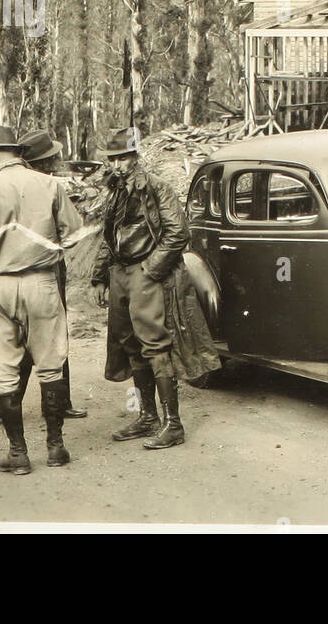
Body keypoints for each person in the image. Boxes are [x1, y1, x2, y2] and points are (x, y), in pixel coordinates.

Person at [0, 125, 83, 475]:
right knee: (51, 365)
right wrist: (44, 251)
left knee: (5, 372)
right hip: (42, 281)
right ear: (17, 151)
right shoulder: (50, 185)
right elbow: (74, 234)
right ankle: (55, 447)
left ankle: (18, 452)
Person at [92, 127, 189, 450]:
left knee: (154, 343)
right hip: (120, 273)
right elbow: (109, 236)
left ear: (136, 157)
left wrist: (151, 269)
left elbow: (177, 232)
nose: (118, 165)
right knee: (130, 343)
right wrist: (100, 277)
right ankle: (148, 416)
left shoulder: (157, 189)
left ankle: (173, 424)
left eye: (123, 158)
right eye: (113, 159)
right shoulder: (115, 192)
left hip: (145, 273)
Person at [15, 129, 87, 419]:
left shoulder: (6, 186)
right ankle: (57, 404)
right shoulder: (50, 187)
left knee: (22, 336)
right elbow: (73, 231)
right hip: (47, 268)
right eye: (51, 157)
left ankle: (10, 401)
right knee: (55, 334)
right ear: (42, 161)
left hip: (14, 272)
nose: (56, 161)